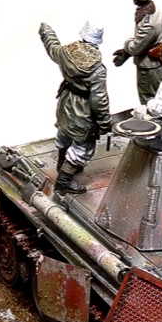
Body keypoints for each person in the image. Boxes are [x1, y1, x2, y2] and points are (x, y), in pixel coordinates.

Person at [40, 21, 113, 194]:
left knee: (64, 132)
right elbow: (99, 100)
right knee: (83, 147)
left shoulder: (65, 53)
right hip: (83, 110)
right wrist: (104, 123)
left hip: (66, 102)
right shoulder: (98, 70)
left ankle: (61, 163)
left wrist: (47, 32)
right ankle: (64, 181)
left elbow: (52, 46)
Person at [112, 0, 162, 104]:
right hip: (151, 63)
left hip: (149, 67)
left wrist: (127, 44)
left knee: (149, 100)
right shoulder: (149, 10)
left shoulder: (148, 24)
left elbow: (135, 49)